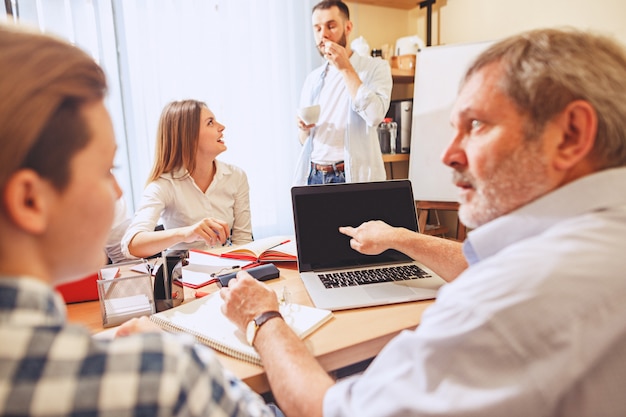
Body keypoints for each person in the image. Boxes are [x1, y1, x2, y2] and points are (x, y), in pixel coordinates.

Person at [219, 28, 626, 416]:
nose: (448, 154)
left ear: (572, 134)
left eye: (477, 124)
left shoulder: (508, 301)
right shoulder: (597, 240)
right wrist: (401, 237)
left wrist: (263, 318)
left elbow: (330, 411)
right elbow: (480, 264)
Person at [0, 24, 279, 416]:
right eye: (105, 169)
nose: (116, 191)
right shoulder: (165, 376)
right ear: (30, 200)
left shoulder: (237, 176)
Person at [122, 99, 253, 259]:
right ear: (188, 137)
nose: (221, 127)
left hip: (227, 273)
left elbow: (244, 242)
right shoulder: (163, 185)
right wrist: (186, 233)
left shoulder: (236, 177)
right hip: (184, 278)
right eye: (210, 123)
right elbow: (132, 245)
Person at [293, 0, 392, 185]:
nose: (324, 35)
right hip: (314, 175)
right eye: (318, 28)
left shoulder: (375, 67)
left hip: (350, 176)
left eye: (331, 26)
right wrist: (303, 128)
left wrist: (346, 68)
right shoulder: (312, 79)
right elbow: (303, 140)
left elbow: (375, 116)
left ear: (348, 27)